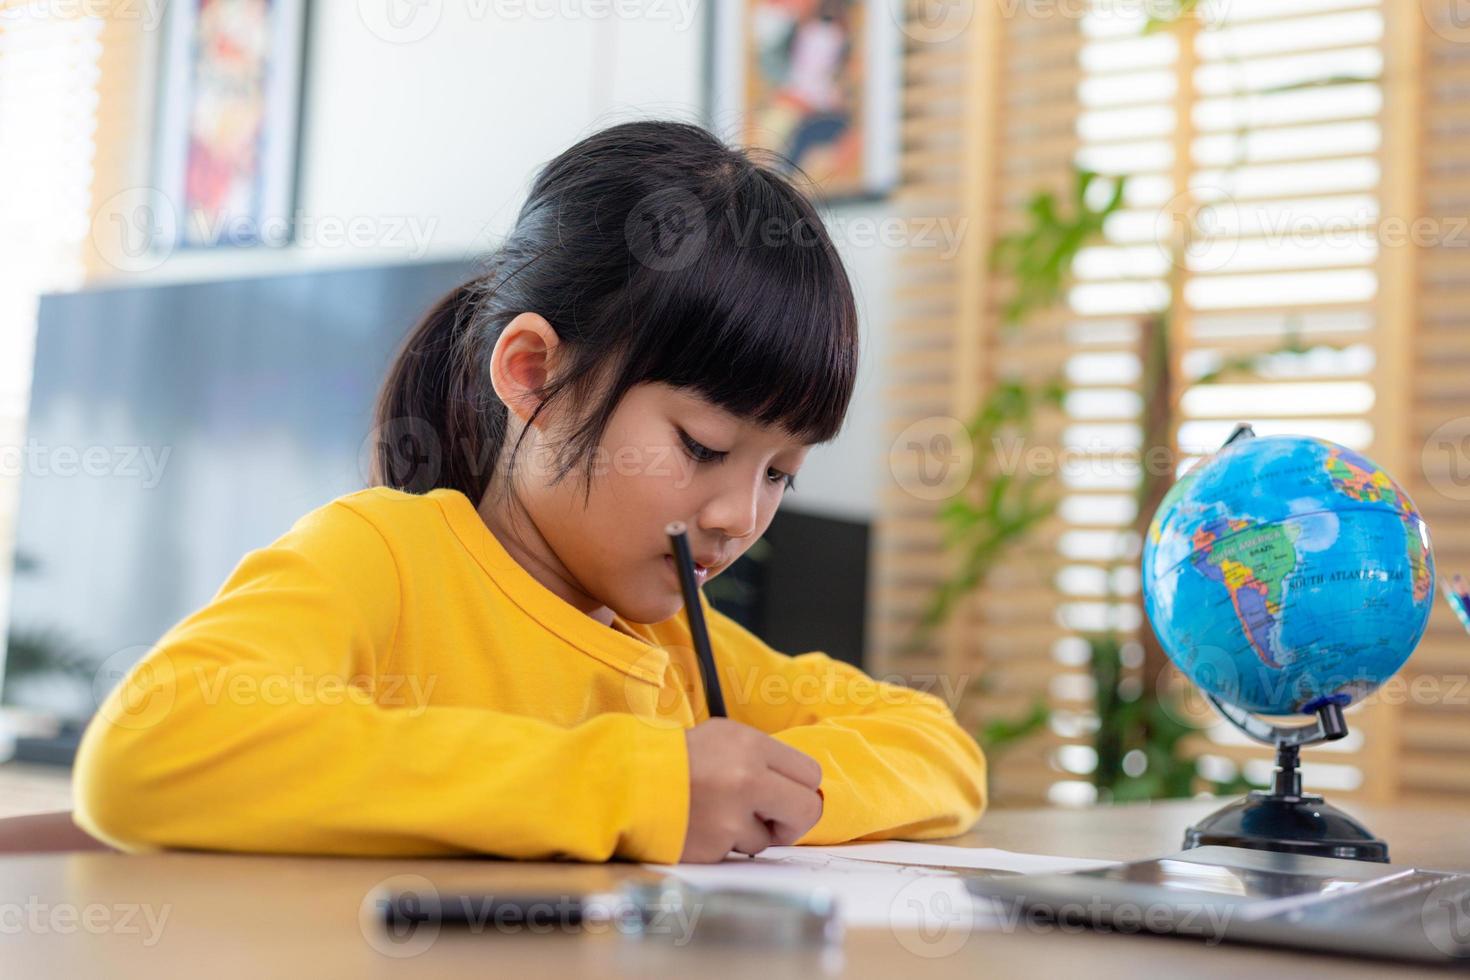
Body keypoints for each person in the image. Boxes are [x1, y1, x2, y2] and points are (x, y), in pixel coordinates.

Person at [72, 120, 986, 864]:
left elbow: (941, 749)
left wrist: (771, 793)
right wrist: (640, 787)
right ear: (534, 374)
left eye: (780, 473)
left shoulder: (668, 643)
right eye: (703, 446)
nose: (739, 518)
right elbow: (149, 748)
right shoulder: (386, 556)